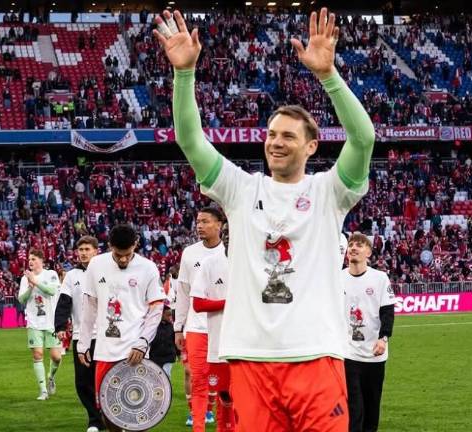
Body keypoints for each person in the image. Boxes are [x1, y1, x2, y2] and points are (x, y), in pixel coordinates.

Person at [155, 7, 375, 430]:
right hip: (252, 359)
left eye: (288, 136)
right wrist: (184, 76)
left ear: (311, 147)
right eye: (271, 134)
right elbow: (189, 139)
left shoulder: (331, 191)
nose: (275, 142)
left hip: (316, 356)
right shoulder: (239, 189)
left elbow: (363, 137)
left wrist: (329, 76)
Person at [77, 224, 165, 432]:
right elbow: (89, 305)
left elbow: (156, 308)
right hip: (106, 350)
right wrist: (83, 342)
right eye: (118, 255)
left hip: (135, 349)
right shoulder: (96, 264)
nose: (123, 259)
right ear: (109, 247)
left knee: (138, 410)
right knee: (107, 409)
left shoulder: (148, 268)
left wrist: (143, 342)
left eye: (127, 254)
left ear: (135, 245)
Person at [175, 208, 226, 429]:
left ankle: (225, 422)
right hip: (196, 327)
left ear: (220, 225)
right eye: (198, 222)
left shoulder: (230, 252)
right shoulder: (190, 253)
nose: (199, 226)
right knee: (197, 379)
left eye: (205, 221)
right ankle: (198, 424)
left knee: (224, 383)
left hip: (224, 327)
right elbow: (183, 291)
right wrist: (178, 327)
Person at [341, 233, 396, 432]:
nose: (353, 248)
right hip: (348, 353)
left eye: (359, 245)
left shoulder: (380, 278)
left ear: (369, 253)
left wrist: (383, 338)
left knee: (372, 409)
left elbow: (387, 312)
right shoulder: (337, 279)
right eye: (351, 245)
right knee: (354, 407)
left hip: (375, 354)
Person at [54, 236, 103, 432]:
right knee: (83, 382)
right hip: (81, 337)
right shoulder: (71, 276)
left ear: (96, 251)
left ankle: (112, 416)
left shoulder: (105, 272)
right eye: (80, 249)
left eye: (87, 249)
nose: (83, 252)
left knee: (106, 379)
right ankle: (94, 419)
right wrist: (59, 326)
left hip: (105, 336)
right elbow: (64, 302)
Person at [192, 223, 234, 432]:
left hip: (251, 346)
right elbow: (198, 304)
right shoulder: (210, 263)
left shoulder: (254, 264)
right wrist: (229, 303)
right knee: (224, 398)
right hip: (220, 347)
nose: (228, 238)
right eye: (226, 233)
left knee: (249, 401)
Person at [17, 249, 62, 400]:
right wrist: (30, 287)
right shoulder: (25, 279)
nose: (30, 261)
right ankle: (43, 390)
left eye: (34, 259)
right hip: (34, 322)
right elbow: (22, 300)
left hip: (51, 322)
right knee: (38, 354)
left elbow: (51, 291)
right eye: (29, 259)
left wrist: (35, 282)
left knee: (56, 357)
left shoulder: (51, 274)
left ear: (42, 260)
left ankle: (51, 377)